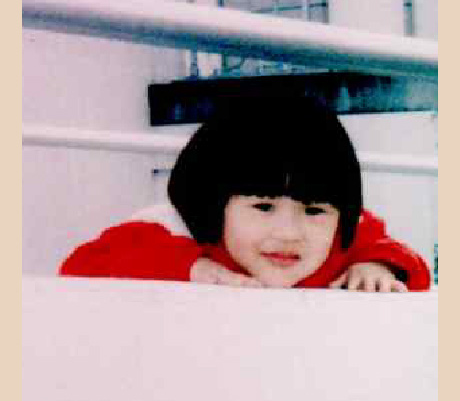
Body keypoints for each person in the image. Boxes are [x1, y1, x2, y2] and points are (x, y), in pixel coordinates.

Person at [60, 96, 431, 291]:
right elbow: (81, 264)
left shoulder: (345, 242)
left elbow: (408, 261)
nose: (288, 233)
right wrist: (190, 268)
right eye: (263, 206)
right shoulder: (176, 230)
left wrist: (378, 267)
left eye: (314, 210)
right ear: (212, 205)